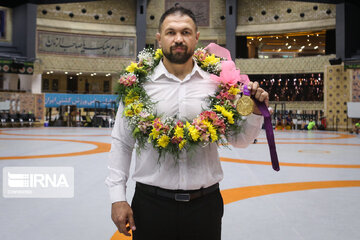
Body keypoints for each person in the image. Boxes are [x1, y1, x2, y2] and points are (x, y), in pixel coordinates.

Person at [105, 6, 269, 240]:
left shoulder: (219, 84)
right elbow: (122, 142)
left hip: (204, 208)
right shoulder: (138, 85)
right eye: (171, 32)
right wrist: (117, 198)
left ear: (197, 38)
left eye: (186, 32)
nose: (178, 39)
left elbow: (240, 140)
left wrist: (254, 111)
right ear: (159, 38)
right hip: (151, 206)